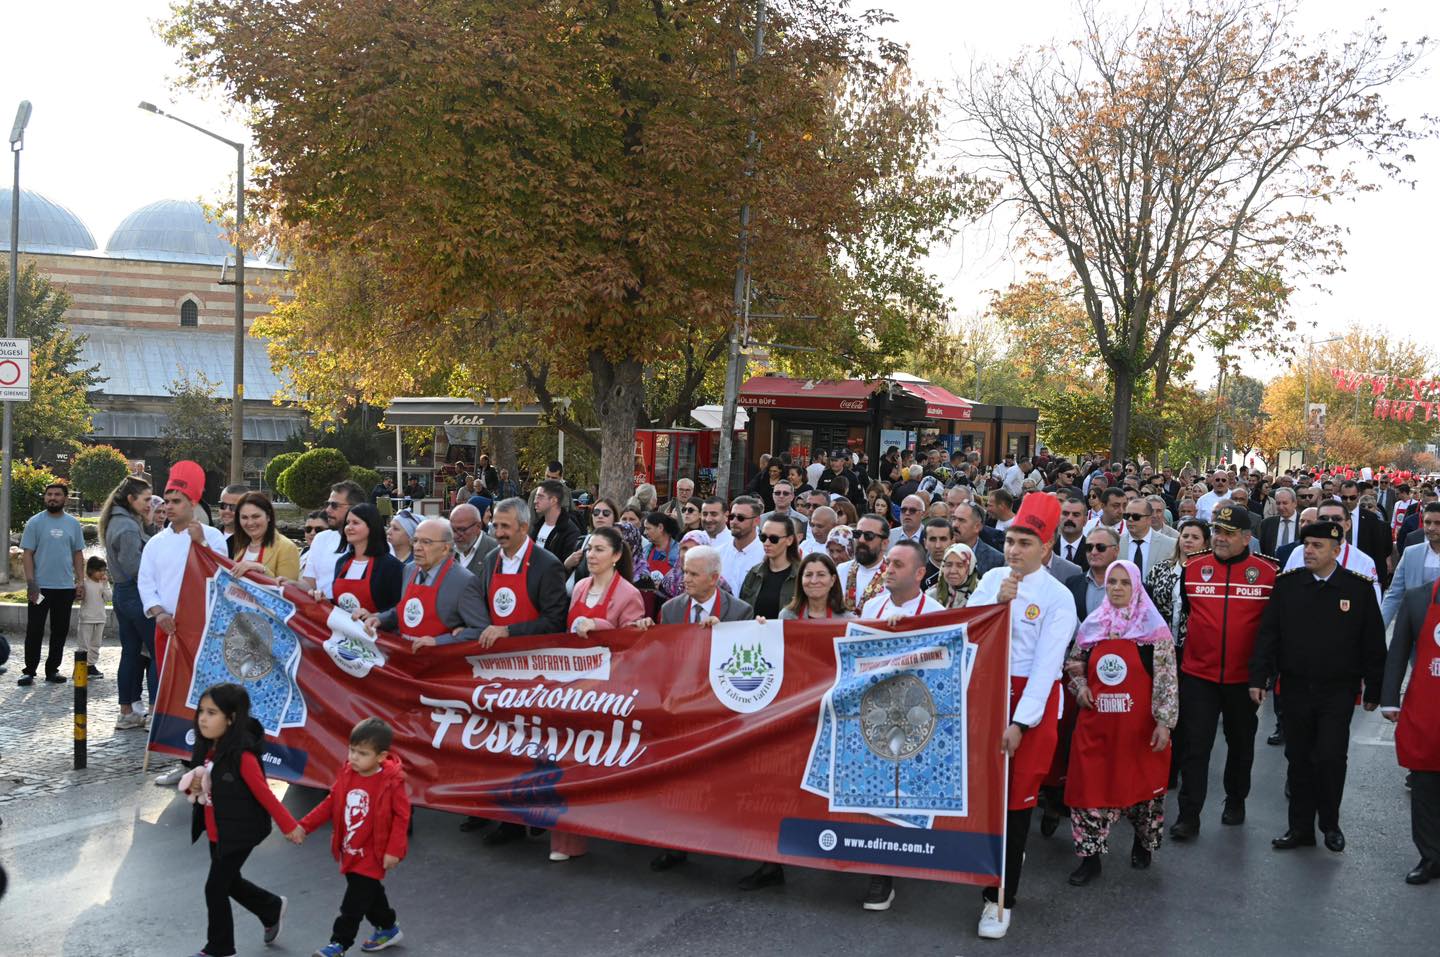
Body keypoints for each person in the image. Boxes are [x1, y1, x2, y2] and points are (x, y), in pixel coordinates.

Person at [968, 492, 1077, 939]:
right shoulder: (992, 578)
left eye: (1025, 542)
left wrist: (1021, 722)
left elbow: (1047, 667)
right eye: (1011, 540)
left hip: (1028, 702)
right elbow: (967, 631)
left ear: (1045, 549)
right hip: (986, 695)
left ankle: (1000, 900)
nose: (1013, 550)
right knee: (982, 797)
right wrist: (997, 602)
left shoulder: (1059, 597)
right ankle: (991, 866)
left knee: (1014, 803)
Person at [1250, 521, 1385, 853]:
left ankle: (1330, 823)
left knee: (1330, 757)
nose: (1308, 551)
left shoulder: (1357, 588)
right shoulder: (1289, 585)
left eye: (1317, 546)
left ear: (1336, 551)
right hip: (1295, 686)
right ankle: (1299, 828)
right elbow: (1269, 634)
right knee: (1298, 758)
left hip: (1337, 690)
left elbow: (1373, 642)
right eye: (1307, 544)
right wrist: (1259, 677)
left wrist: (1375, 688)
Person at [1063, 560, 1177, 885]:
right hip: (1096, 729)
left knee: (1143, 794)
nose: (1116, 588)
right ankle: (1089, 858)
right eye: (1111, 582)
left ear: (1136, 587)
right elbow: (1073, 662)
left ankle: (1143, 843)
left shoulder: (1154, 633)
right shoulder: (1093, 627)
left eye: (1124, 583)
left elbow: (1167, 681)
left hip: (1139, 731)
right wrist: (1080, 686)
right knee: (1088, 792)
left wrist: (1164, 723)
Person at [1171, 504, 1277, 840]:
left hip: (1243, 680)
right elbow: (1189, 615)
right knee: (1195, 746)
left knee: (1241, 743)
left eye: (1227, 533)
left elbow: (1271, 632)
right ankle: (1189, 815)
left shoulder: (1268, 573)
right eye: (1216, 531)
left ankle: (1235, 799)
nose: (1218, 538)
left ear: (1247, 538)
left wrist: (1262, 677)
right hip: (1199, 675)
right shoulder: (1193, 568)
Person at [183, 683, 302, 957]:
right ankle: (270, 908)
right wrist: (195, 788)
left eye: (212, 712)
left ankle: (220, 948)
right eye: (201, 711)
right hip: (217, 830)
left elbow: (265, 794)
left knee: (215, 888)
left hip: (240, 831)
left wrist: (289, 826)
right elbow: (195, 786)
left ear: (231, 718)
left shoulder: (242, 755)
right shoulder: (205, 748)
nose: (203, 717)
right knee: (230, 882)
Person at [550, 527, 647, 863]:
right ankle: (567, 840)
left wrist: (599, 627)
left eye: (600, 549)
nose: (591, 555)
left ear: (617, 555)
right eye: (589, 549)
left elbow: (633, 646)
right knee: (567, 762)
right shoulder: (578, 587)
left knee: (598, 763)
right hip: (572, 689)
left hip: (608, 692)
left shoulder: (629, 595)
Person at [140, 461, 229, 787]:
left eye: (176, 501)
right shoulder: (155, 544)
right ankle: (182, 760)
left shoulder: (214, 537)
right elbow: (145, 583)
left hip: (205, 632)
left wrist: (201, 544)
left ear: (192, 504)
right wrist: (159, 612)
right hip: (169, 631)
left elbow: (220, 574)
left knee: (208, 698)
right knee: (174, 695)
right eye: (166, 500)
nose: (168, 507)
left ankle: (213, 761)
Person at [299, 717, 411, 957]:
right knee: (369, 894)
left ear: (381, 756)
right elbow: (331, 803)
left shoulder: (392, 782)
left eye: (362, 753)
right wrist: (304, 826)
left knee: (353, 902)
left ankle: (338, 944)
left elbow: (402, 817)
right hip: (350, 848)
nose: (354, 757)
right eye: (352, 750)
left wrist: (394, 850)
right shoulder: (348, 774)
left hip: (373, 852)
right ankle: (388, 927)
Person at [1382, 573, 1440, 883]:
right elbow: (1399, 651)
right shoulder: (1418, 599)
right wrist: (1389, 698)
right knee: (1424, 787)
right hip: (1427, 711)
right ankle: (1431, 855)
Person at [18, 481, 86, 686]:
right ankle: (29, 671)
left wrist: (80, 581)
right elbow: (27, 554)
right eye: (49, 494)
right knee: (35, 629)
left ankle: (52, 670)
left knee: (60, 630)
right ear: (44, 497)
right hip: (40, 587)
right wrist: (31, 583)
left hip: (65, 588)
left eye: (57, 494)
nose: (52, 498)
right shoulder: (35, 522)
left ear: (65, 499)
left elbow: (78, 554)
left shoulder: (73, 524)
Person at [101, 475, 156, 728]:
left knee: (131, 653)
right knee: (157, 653)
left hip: (124, 594)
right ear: (131, 499)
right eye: (146, 499)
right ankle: (156, 714)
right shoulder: (127, 526)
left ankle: (128, 711)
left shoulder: (118, 521)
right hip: (136, 593)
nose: (149, 504)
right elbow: (134, 566)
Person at [325, 503, 406, 616]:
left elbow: (401, 608)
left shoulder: (391, 567)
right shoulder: (341, 563)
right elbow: (339, 604)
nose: (349, 527)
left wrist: (377, 617)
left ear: (372, 526)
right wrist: (325, 601)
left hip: (378, 632)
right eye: (347, 523)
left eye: (355, 523)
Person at [648, 545, 753, 627]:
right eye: (685, 572)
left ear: (713, 578)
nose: (686, 579)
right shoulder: (670, 610)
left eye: (694, 574)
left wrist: (721, 631)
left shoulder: (740, 611)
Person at [301, 481, 369, 598]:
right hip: (324, 613)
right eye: (327, 504)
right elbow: (309, 583)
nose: (327, 510)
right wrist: (286, 585)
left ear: (354, 508)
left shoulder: (379, 546)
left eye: (334, 505)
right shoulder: (321, 539)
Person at [1381, 502, 1440, 627]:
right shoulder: (1411, 553)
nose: (1431, 528)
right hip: (1417, 630)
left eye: (1438, 523)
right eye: (1428, 522)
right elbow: (1394, 595)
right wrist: (1378, 630)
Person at [227, 492, 302, 582]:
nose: (250, 523)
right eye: (244, 517)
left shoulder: (287, 547)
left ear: (268, 516)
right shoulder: (241, 544)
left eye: (256, 516)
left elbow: (289, 590)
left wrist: (262, 569)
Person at [739, 517, 800, 620]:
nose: (767, 543)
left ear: (789, 540)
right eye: (763, 537)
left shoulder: (802, 575)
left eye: (774, 539)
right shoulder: (754, 573)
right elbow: (741, 610)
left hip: (786, 634)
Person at [1338, 479, 1393, 585]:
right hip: (1338, 568)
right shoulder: (1332, 516)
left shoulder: (1370, 518)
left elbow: (1379, 549)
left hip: (1362, 570)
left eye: (1352, 497)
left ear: (1358, 496)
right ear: (1340, 495)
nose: (1348, 501)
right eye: (1344, 497)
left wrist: (1380, 579)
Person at [836, 514, 889, 613]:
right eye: (857, 534)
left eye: (869, 536)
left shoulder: (895, 576)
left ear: (884, 543)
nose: (861, 540)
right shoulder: (841, 570)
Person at [1065, 529, 1120, 619]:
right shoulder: (1072, 584)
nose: (1094, 552)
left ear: (1116, 550)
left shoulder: (1132, 586)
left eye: (1101, 547)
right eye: (1089, 547)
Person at [779, 553, 851, 620]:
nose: (814, 581)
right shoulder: (787, 616)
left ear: (832, 580)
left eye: (821, 574)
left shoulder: (847, 619)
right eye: (808, 575)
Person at [1118, 497, 1176, 577]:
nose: (1130, 519)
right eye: (1127, 516)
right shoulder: (1116, 543)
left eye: (1136, 516)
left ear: (1149, 519)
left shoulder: (1170, 545)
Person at [531, 480, 583, 561]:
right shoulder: (537, 526)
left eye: (540, 497)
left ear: (553, 500)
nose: (535, 501)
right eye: (535, 497)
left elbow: (568, 567)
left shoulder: (570, 532)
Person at [78, 556, 112, 680]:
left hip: (100, 618)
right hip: (86, 618)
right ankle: (80, 668)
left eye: (104, 570)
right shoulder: (85, 583)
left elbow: (109, 598)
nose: (102, 573)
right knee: (84, 645)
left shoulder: (103, 583)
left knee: (96, 644)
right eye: (100, 570)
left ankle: (91, 666)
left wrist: (105, 584)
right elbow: (78, 596)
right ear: (91, 570)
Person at [953, 503, 1005, 578]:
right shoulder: (942, 550)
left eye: (962, 520)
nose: (955, 524)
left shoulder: (996, 560)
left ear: (977, 527)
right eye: (954, 519)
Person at [450, 502, 499, 575]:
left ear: (478, 526)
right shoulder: (446, 550)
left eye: (462, 529)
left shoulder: (496, 552)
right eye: (453, 530)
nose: (456, 535)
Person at [928, 542, 978, 609]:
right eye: (948, 565)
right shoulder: (931, 596)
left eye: (960, 565)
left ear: (969, 568)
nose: (953, 571)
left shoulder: (981, 594)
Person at [642, 511, 682, 583]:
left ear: (660, 527)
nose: (644, 532)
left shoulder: (679, 551)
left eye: (648, 528)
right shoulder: (646, 550)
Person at [1259, 488, 1300, 556]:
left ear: (1295, 503)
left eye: (1285, 503)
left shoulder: (1304, 522)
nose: (1281, 507)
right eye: (1278, 503)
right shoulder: (1266, 524)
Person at [921, 517, 953, 590]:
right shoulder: (916, 577)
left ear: (952, 541)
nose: (938, 545)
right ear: (925, 543)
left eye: (943, 539)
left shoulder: (966, 572)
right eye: (933, 539)